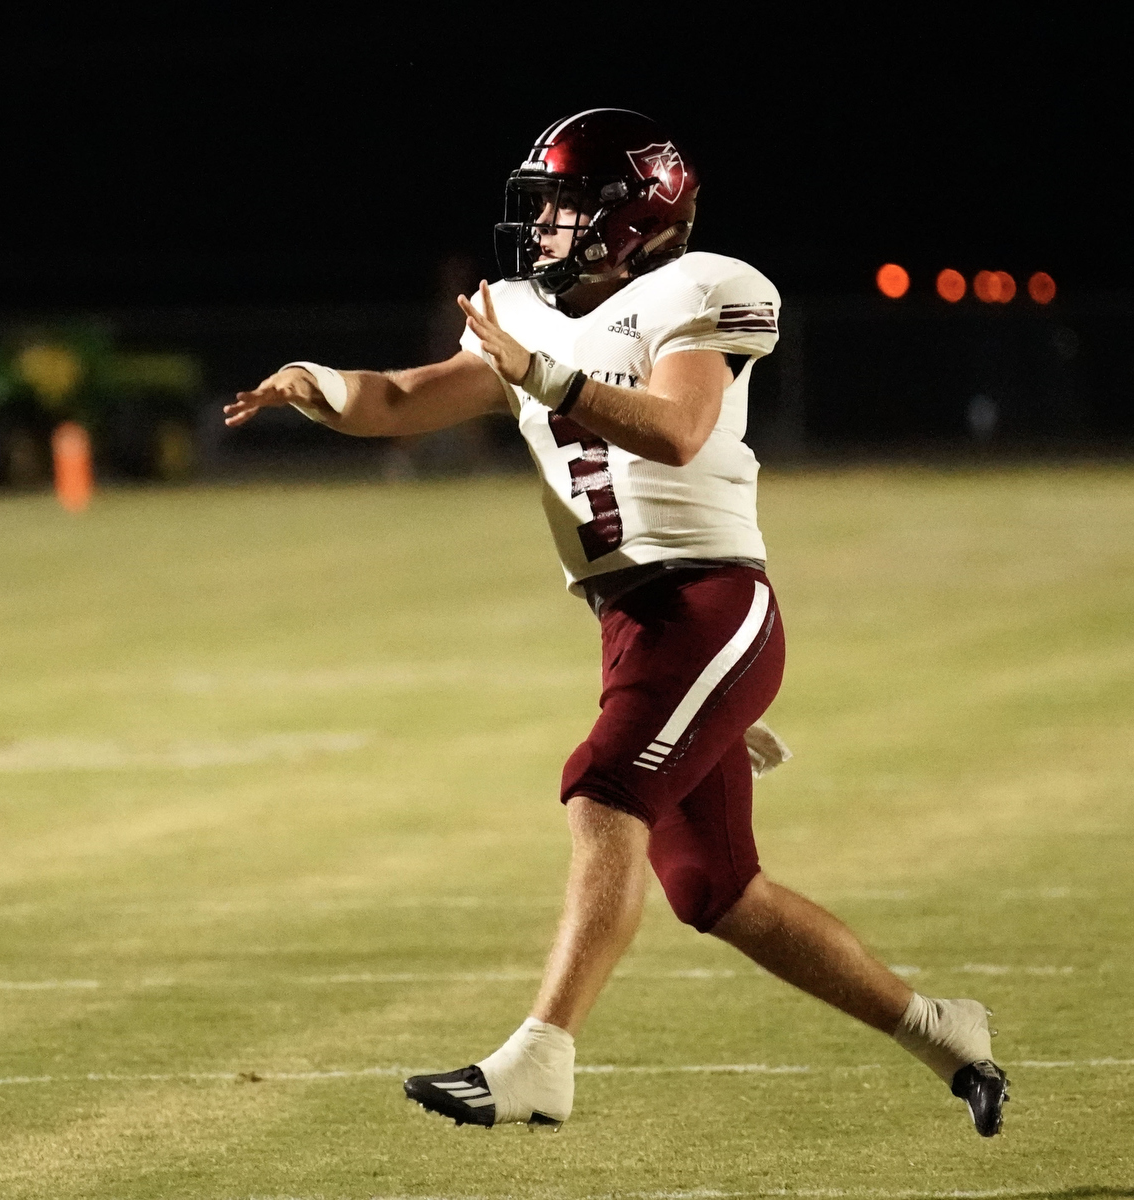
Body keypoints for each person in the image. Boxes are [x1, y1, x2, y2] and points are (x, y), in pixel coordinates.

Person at [225, 109, 1009, 1137]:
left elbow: (679, 430)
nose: (543, 223)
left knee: (602, 791)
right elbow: (404, 397)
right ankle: (942, 1031)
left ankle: (541, 1057)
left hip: (708, 601)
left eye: (564, 203)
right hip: (631, 621)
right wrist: (318, 386)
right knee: (713, 889)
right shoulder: (520, 317)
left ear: (631, 218)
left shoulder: (700, 290)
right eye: (541, 203)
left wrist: (538, 373)